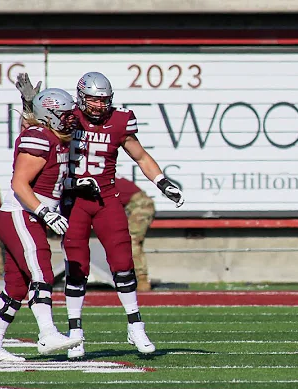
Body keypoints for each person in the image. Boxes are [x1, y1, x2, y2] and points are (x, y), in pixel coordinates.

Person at [16, 72, 185, 359]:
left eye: (104, 100)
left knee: (122, 259)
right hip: (73, 200)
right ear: (81, 97)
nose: (99, 105)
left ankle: (136, 325)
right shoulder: (69, 117)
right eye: (93, 99)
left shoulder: (119, 121)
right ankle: (76, 333)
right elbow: (36, 132)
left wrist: (162, 181)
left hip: (106, 197)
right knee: (76, 265)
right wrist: (30, 108)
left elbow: (140, 156)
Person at [0, 88, 86, 361]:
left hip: (30, 214)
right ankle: (47, 334)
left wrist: (75, 184)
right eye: (64, 115)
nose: (70, 120)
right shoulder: (39, 137)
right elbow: (19, 183)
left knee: (16, 287)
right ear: (49, 116)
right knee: (41, 269)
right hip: (21, 213)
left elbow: (52, 181)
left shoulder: (54, 137)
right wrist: (44, 212)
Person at [116, 175, 156, 292]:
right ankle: (136, 277)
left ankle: (142, 279)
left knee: (132, 242)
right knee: (130, 241)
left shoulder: (101, 179)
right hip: (136, 204)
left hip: (140, 205)